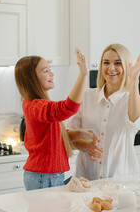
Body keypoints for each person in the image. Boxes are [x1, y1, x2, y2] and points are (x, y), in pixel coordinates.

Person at [14, 48, 101, 190]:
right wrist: (83, 75)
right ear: (31, 78)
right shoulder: (36, 106)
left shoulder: (35, 104)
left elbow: (52, 138)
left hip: (46, 176)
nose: (51, 74)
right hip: (45, 177)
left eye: (50, 69)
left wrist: (80, 133)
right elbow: (68, 108)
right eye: (45, 71)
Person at [67, 44, 140, 180]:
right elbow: (68, 138)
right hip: (87, 179)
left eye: (118, 63)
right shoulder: (87, 97)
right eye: (106, 62)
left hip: (121, 180)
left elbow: (137, 124)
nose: (111, 68)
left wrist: (134, 80)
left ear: (126, 66)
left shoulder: (133, 98)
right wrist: (86, 145)